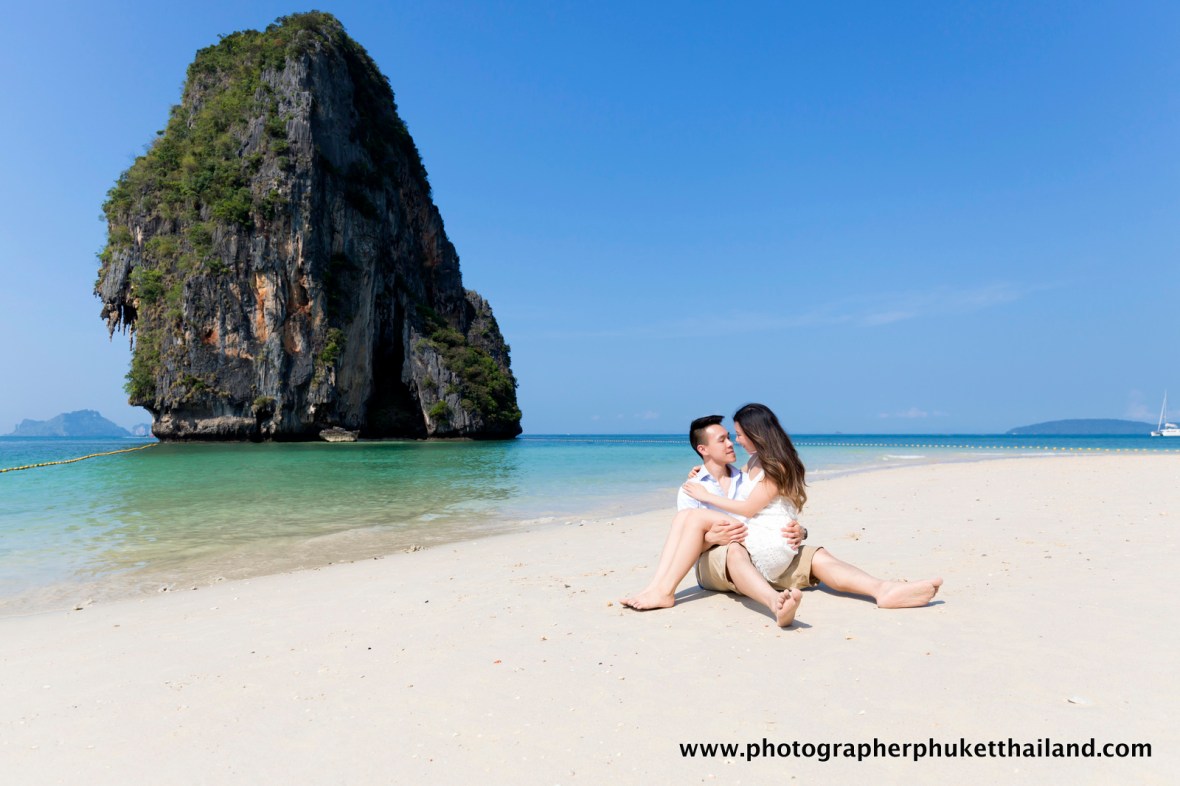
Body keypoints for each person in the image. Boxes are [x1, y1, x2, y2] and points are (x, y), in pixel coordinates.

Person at [621, 404, 942, 626]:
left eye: (736, 435)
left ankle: (883, 589)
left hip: (759, 550)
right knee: (713, 537)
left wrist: (800, 532)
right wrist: (709, 538)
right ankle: (663, 590)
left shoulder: (747, 472)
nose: (734, 441)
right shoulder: (692, 487)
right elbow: (687, 545)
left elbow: (765, 510)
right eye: (724, 439)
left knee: (816, 555)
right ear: (703, 450)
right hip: (717, 563)